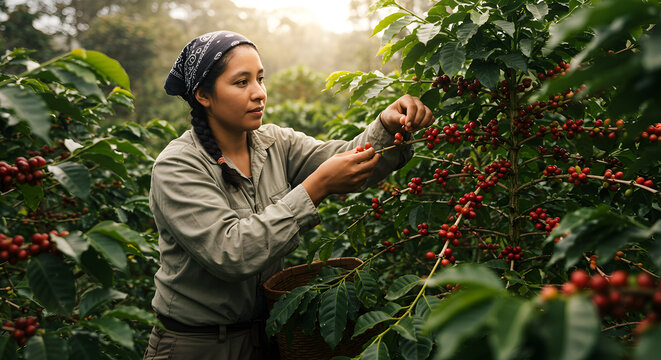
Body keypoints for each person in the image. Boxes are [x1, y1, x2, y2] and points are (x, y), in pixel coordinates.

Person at [144, 30, 434, 360]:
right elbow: (230, 252)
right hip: (197, 346)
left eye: (260, 79)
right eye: (242, 82)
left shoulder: (275, 143)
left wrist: (387, 125)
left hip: (269, 338)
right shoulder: (178, 166)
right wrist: (315, 188)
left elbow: (347, 159)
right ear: (203, 96)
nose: (259, 94)